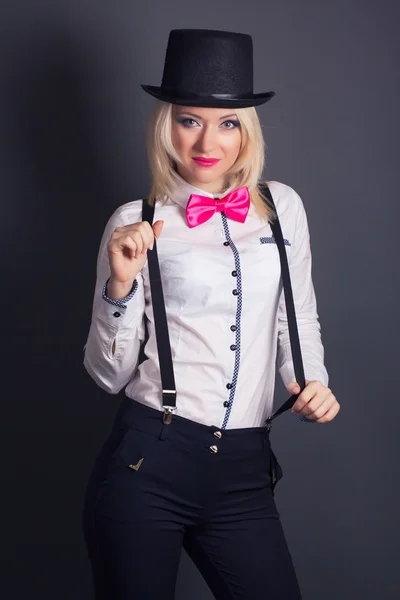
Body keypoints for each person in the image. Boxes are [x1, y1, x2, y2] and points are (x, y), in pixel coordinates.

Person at [81, 28, 340, 600]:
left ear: (246, 129)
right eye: (188, 119)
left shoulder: (281, 208)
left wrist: (309, 381)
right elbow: (108, 376)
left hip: (244, 472)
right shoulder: (134, 219)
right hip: (149, 461)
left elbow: (296, 316)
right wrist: (119, 286)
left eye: (226, 122)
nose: (207, 142)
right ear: (166, 125)